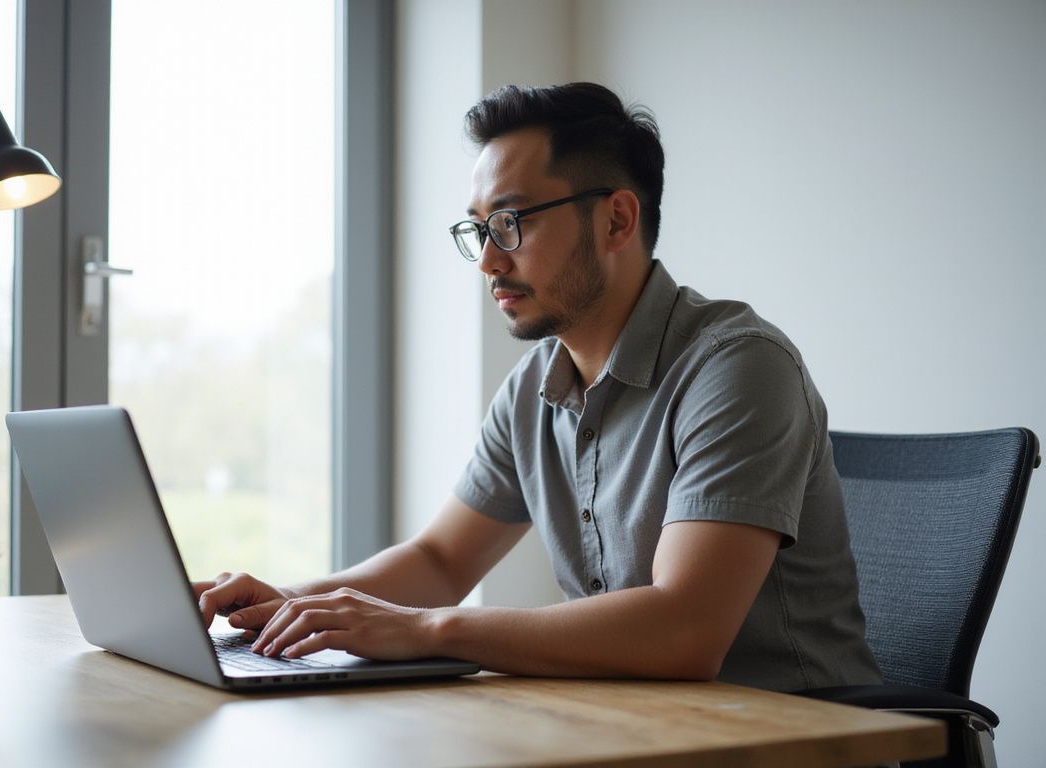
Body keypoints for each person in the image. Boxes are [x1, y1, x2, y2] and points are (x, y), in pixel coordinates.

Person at [195, 82, 881, 692]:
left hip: (791, 739)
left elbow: (685, 630)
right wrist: (284, 603)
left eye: (511, 223)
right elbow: (439, 560)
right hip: (633, 732)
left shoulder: (737, 368)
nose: (489, 261)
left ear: (616, 219)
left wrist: (429, 630)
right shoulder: (534, 388)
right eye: (479, 229)